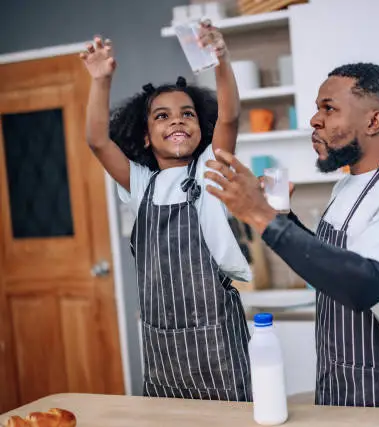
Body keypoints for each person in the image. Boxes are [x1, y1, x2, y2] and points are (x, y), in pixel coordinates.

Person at [203, 62, 379, 410]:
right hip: (344, 388)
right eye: (317, 108)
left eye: (329, 108)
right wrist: (283, 218)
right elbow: (332, 262)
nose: (314, 119)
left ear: (374, 121)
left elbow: (363, 284)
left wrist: (260, 215)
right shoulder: (348, 184)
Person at [79, 20, 253, 402]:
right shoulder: (139, 184)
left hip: (218, 341)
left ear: (200, 127)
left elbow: (229, 117)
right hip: (163, 350)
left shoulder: (211, 170)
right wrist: (100, 80)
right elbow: (96, 140)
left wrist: (220, 60)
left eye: (187, 113)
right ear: (145, 135)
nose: (176, 119)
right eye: (162, 115)